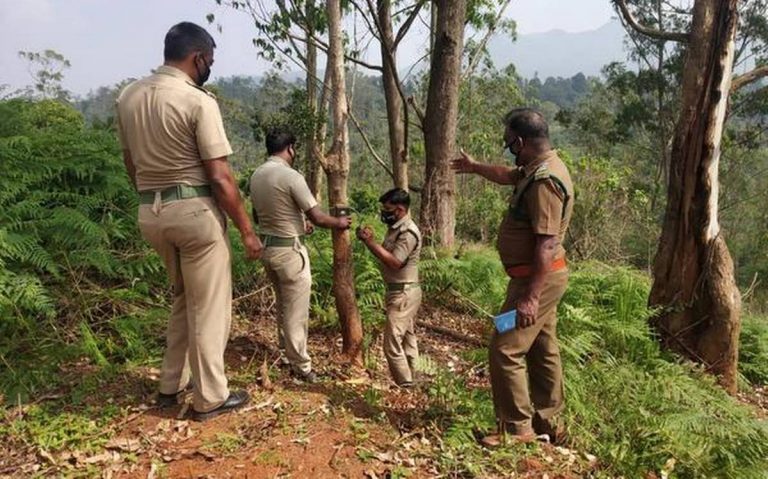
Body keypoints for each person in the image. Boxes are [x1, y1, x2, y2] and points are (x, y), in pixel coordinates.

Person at [116, 22, 261, 421]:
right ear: (198, 58)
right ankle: (211, 396)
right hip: (195, 213)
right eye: (209, 61)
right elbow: (220, 176)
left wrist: (152, 198)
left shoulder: (129, 96)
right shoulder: (197, 101)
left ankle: (169, 384)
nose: (209, 67)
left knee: (184, 298)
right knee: (210, 307)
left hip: (151, 211)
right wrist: (247, 231)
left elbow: (131, 164)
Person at [451, 108, 573, 446]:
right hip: (538, 278)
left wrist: (530, 297)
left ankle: (517, 428)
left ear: (520, 141)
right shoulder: (537, 170)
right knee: (542, 348)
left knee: (504, 348)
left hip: (536, 282)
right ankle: (550, 421)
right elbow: (508, 175)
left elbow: (547, 243)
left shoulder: (546, 181)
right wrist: (475, 168)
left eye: (509, 145)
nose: (510, 152)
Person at [249, 129, 351, 383]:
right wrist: (339, 223)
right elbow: (317, 216)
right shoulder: (290, 176)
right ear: (290, 148)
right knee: (296, 311)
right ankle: (302, 366)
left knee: (284, 304)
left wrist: (296, 223)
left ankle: (286, 352)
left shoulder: (257, 174)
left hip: (269, 248)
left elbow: (258, 216)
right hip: (290, 252)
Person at [356, 188, 422, 388]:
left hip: (404, 293)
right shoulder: (396, 227)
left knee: (391, 341)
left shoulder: (408, 232)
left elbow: (395, 262)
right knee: (408, 339)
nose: (384, 213)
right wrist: (370, 242)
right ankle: (416, 379)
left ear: (400, 209)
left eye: (388, 209)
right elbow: (386, 253)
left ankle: (405, 384)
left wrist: (370, 242)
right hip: (397, 291)